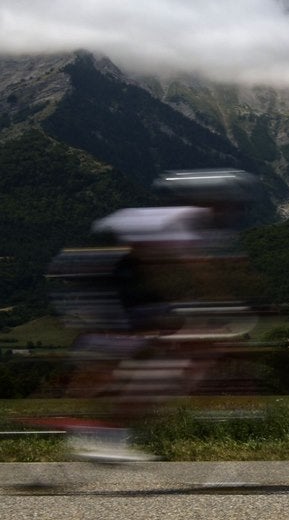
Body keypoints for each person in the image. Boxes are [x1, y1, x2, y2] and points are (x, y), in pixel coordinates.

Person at [48, 169, 263, 462]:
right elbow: (203, 273)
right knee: (160, 349)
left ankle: (110, 412)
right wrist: (226, 307)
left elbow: (186, 275)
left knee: (173, 345)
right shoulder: (189, 221)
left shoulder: (186, 222)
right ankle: (108, 431)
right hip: (104, 279)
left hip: (115, 279)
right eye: (231, 205)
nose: (235, 212)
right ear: (213, 201)